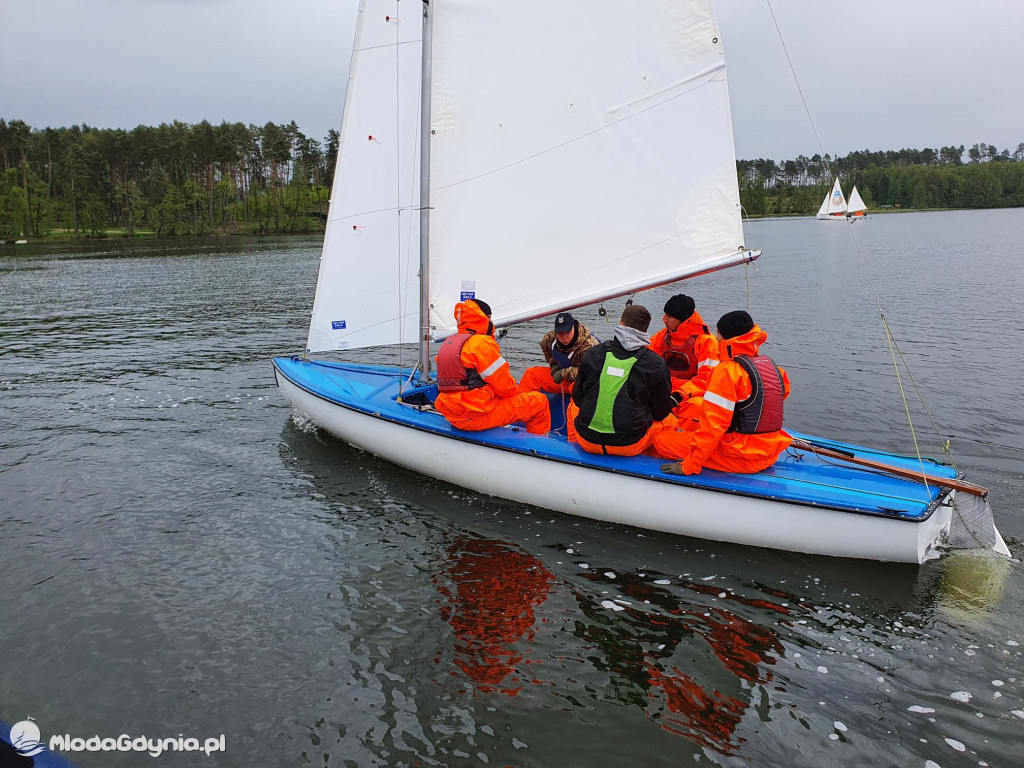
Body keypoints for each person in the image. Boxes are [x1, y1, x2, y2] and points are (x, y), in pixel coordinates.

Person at [654, 310, 792, 474]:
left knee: (661, 441)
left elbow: (713, 427)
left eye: (719, 333)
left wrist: (690, 465)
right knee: (695, 411)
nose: (716, 338)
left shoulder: (727, 372)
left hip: (739, 456)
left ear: (729, 338)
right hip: (770, 452)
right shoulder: (775, 369)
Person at [567, 304, 679, 456]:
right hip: (628, 446)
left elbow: (579, 398)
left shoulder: (594, 353)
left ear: (620, 322)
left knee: (573, 405)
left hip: (587, 441)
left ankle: (572, 450)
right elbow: (660, 413)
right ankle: (649, 463)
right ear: (646, 331)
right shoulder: (656, 364)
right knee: (670, 421)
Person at [434, 299, 551, 435]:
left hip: (453, 414)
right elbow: (506, 388)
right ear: (482, 318)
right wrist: (521, 394)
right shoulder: (481, 344)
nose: (491, 322)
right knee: (539, 402)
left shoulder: (449, 342)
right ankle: (537, 446)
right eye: (489, 318)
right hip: (477, 416)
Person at [648, 293, 719, 420]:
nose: (664, 319)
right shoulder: (662, 336)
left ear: (683, 319)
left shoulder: (707, 342)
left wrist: (679, 395)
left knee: (696, 406)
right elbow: (643, 358)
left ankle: (683, 437)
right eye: (664, 315)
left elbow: (706, 379)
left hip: (690, 394)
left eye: (669, 316)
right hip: (664, 390)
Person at [519, 311, 599, 394]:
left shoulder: (589, 345)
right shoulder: (550, 338)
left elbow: (590, 372)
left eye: (567, 332)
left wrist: (563, 373)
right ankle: (524, 404)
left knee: (578, 389)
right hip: (564, 380)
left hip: (583, 384)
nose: (564, 337)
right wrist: (553, 364)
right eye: (560, 333)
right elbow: (546, 349)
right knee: (531, 375)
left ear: (573, 327)